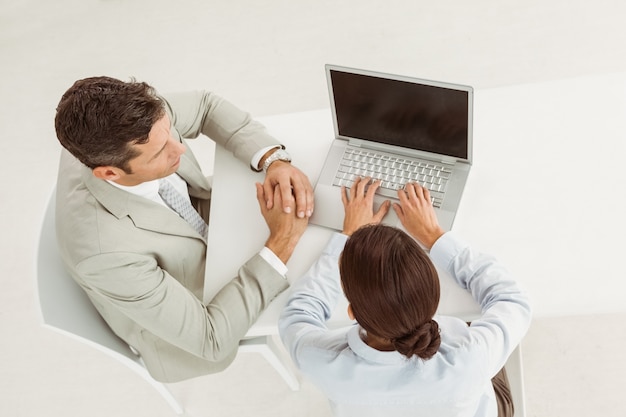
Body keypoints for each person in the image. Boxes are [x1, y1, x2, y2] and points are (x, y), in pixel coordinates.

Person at [54, 76, 311, 383]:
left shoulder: (129, 122)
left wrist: (273, 160)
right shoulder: (106, 255)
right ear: (110, 172)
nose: (180, 148)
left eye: (170, 133)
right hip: (197, 316)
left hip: (200, 228)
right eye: (161, 151)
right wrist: (283, 240)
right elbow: (211, 339)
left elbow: (205, 105)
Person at [279, 177, 532, 417]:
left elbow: (298, 315)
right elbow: (512, 300)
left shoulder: (321, 361)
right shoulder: (469, 355)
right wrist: (435, 237)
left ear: (352, 314)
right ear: (433, 301)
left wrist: (348, 237)